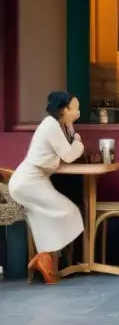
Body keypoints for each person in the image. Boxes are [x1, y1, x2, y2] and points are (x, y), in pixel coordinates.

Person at [8, 91, 86, 284]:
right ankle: (44, 258)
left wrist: (70, 127)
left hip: (35, 180)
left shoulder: (58, 126)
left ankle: (44, 260)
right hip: (28, 181)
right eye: (75, 108)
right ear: (63, 109)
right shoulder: (50, 125)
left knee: (43, 219)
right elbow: (68, 155)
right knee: (69, 210)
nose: (78, 112)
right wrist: (78, 141)